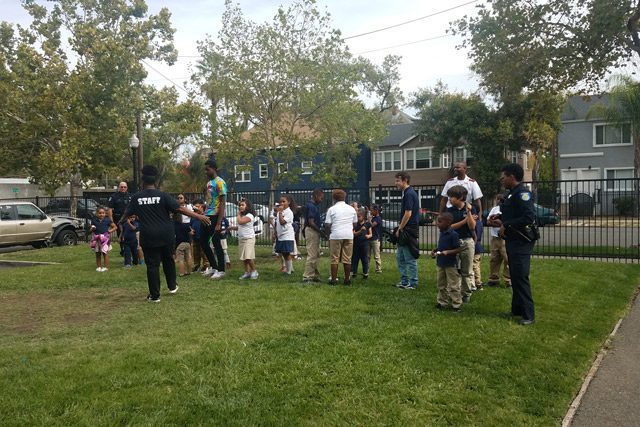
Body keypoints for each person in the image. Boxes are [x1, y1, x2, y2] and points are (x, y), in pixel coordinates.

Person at [123, 165, 210, 302]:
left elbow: (126, 213)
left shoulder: (136, 198)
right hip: (166, 234)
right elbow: (180, 209)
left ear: (143, 181)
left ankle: (155, 296)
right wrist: (199, 216)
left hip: (149, 235)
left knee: (152, 265)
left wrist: (119, 222)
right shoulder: (163, 196)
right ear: (155, 181)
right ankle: (172, 286)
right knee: (168, 259)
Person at [491, 163, 537, 325]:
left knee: (520, 276)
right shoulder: (512, 194)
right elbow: (512, 214)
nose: (501, 180)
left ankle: (528, 315)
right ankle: (517, 309)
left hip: (521, 240)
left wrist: (507, 224)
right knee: (515, 275)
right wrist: (500, 220)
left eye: (503, 177)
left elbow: (528, 217)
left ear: (512, 177)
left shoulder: (522, 194)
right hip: (512, 239)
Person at [446, 185, 476, 303]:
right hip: (453, 242)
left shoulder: (470, 209)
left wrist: (468, 212)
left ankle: (466, 293)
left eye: (451, 197)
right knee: (453, 269)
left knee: (467, 269)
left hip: (467, 241)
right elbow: (450, 227)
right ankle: (453, 292)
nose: (449, 200)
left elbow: (472, 226)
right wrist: (464, 221)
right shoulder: (449, 211)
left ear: (460, 198)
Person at [432, 213, 467, 311]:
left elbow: (458, 249)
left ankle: (456, 304)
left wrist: (448, 252)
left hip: (450, 264)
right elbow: (441, 247)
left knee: (453, 285)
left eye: (440, 221)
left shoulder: (453, 234)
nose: (437, 223)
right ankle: (442, 302)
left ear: (448, 223)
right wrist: (435, 250)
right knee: (441, 284)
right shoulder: (442, 233)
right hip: (441, 263)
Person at [201, 159, 228, 280]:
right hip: (207, 215)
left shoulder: (220, 182)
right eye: (205, 169)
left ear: (214, 169)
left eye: (208, 169)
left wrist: (219, 222)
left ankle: (221, 270)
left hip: (215, 216)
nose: (206, 171)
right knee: (203, 242)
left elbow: (222, 203)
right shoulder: (209, 183)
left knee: (217, 243)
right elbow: (209, 201)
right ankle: (213, 266)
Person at [324, 189, 357, 285]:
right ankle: (347, 279)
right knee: (347, 258)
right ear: (344, 197)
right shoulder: (351, 209)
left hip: (336, 235)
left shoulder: (331, 209)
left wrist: (328, 234)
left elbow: (327, 224)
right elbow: (355, 224)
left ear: (334, 198)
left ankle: (334, 280)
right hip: (348, 235)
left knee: (335, 258)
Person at [394, 172, 420, 290]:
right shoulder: (407, 193)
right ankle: (404, 281)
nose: (396, 183)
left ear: (405, 181)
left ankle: (413, 282)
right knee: (400, 257)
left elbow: (408, 213)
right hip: (406, 228)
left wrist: (400, 228)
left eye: (398, 181)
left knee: (409, 258)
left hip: (408, 229)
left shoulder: (409, 194)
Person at [228, 198, 258, 280]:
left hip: (249, 239)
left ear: (247, 206)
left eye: (242, 205)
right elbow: (241, 226)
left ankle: (254, 271)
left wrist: (238, 214)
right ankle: (247, 272)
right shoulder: (243, 216)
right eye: (240, 205)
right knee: (244, 258)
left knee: (248, 257)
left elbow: (240, 222)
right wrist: (232, 228)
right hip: (241, 239)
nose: (240, 207)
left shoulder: (250, 216)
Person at [485, 194, 511, 288]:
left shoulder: (508, 209)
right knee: (494, 259)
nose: (499, 201)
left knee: (507, 259)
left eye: (501, 199)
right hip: (494, 237)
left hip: (504, 238)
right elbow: (488, 222)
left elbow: (506, 223)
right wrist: (497, 223)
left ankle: (508, 280)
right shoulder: (494, 209)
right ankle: (493, 279)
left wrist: (497, 223)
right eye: (498, 199)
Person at [302, 189, 324, 283]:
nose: (321, 200)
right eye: (321, 198)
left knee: (316, 253)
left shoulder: (312, 206)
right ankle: (307, 276)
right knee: (312, 254)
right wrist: (321, 232)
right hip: (312, 231)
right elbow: (311, 222)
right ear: (316, 196)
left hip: (313, 231)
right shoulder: (311, 206)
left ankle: (315, 274)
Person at [107, 181, 132, 256]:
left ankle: (129, 250)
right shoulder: (114, 196)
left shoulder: (130, 196)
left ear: (127, 188)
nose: (123, 188)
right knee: (120, 234)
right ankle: (123, 250)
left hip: (129, 218)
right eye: (121, 187)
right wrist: (111, 221)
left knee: (129, 234)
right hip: (118, 219)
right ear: (119, 187)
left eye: (125, 187)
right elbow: (110, 209)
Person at [90, 206, 117, 272]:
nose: (101, 214)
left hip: (104, 239)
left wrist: (109, 231)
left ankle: (105, 267)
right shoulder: (94, 220)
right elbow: (91, 229)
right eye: (100, 213)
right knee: (97, 253)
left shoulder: (107, 220)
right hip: (96, 239)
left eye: (103, 213)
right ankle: (99, 267)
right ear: (96, 214)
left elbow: (115, 227)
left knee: (105, 253)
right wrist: (92, 228)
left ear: (105, 213)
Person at [275, 194, 296, 275]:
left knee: (287, 253)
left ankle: (289, 271)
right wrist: (275, 232)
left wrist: (280, 213)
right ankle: (289, 268)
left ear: (289, 202)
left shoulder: (289, 212)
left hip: (287, 235)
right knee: (283, 253)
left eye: (284, 201)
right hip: (280, 235)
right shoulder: (280, 211)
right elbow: (277, 223)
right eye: (280, 202)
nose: (282, 203)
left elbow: (282, 222)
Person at [351, 208, 372, 279]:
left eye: (359, 216)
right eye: (356, 216)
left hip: (364, 244)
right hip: (356, 244)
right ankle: (354, 272)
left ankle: (365, 273)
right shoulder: (355, 224)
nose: (357, 218)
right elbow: (353, 234)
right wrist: (360, 231)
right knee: (355, 259)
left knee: (364, 258)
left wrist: (368, 236)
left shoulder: (367, 224)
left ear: (363, 216)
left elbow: (370, 234)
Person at [190, 199, 209, 273]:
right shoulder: (193, 216)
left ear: (202, 207)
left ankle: (206, 266)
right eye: (195, 207)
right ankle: (196, 265)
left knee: (204, 253)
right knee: (196, 253)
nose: (195, 208)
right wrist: (191, 230)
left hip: (203, 238)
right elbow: (190, 225)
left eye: (197, 206)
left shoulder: (205, 215)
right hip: (195, 238)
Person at [173, 212, 193, 277]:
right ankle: (189, 271)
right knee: (188, 257)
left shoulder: (172, 226)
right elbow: (191, 233)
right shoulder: (185, 225)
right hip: (187, 243)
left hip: (179, 244)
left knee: (180, 259)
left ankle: (182, 273)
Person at [368, 204, 383, 274]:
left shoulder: (378, 218)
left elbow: (372, 225)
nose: (370, 211)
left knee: (376, 255)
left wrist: (369, 220)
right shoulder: (373, 218)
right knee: (367, 255)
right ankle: (366, 268)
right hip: (369, 239)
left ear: (376, 211)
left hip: (375, 239)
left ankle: (378, 269)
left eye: (372, 210)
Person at [472, 214, 484, 291]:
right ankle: (477, 282)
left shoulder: (475, 223)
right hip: (477, 246)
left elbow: (476, 235)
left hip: (475, 246)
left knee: (474, 265)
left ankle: (478, 283)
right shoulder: (479, 222)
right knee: (476, 265)